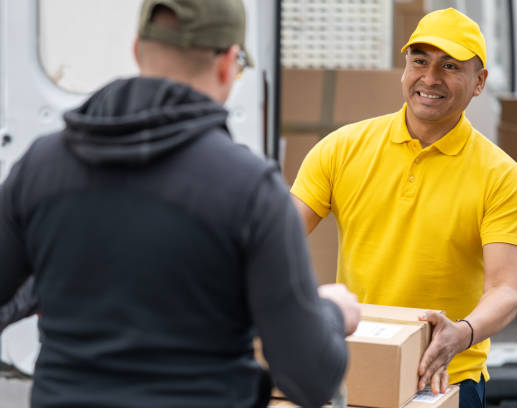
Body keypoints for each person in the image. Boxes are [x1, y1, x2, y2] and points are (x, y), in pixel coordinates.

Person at [0, 0, 361, 407]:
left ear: (137, 49)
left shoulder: (41, 167)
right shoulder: (249, 189)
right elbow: (308, 377)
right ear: (228, 65)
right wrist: (331, 312)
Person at [291, 8, 517, 408]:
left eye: (450, 66)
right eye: (419, 61)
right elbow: (276, 238)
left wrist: (463, 332)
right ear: (405, 69)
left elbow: (505, 291)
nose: (430, 78)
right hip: (361, 365)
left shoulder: (501, 176)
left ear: (479, 82)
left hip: (449, 378)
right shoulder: (342, 148)